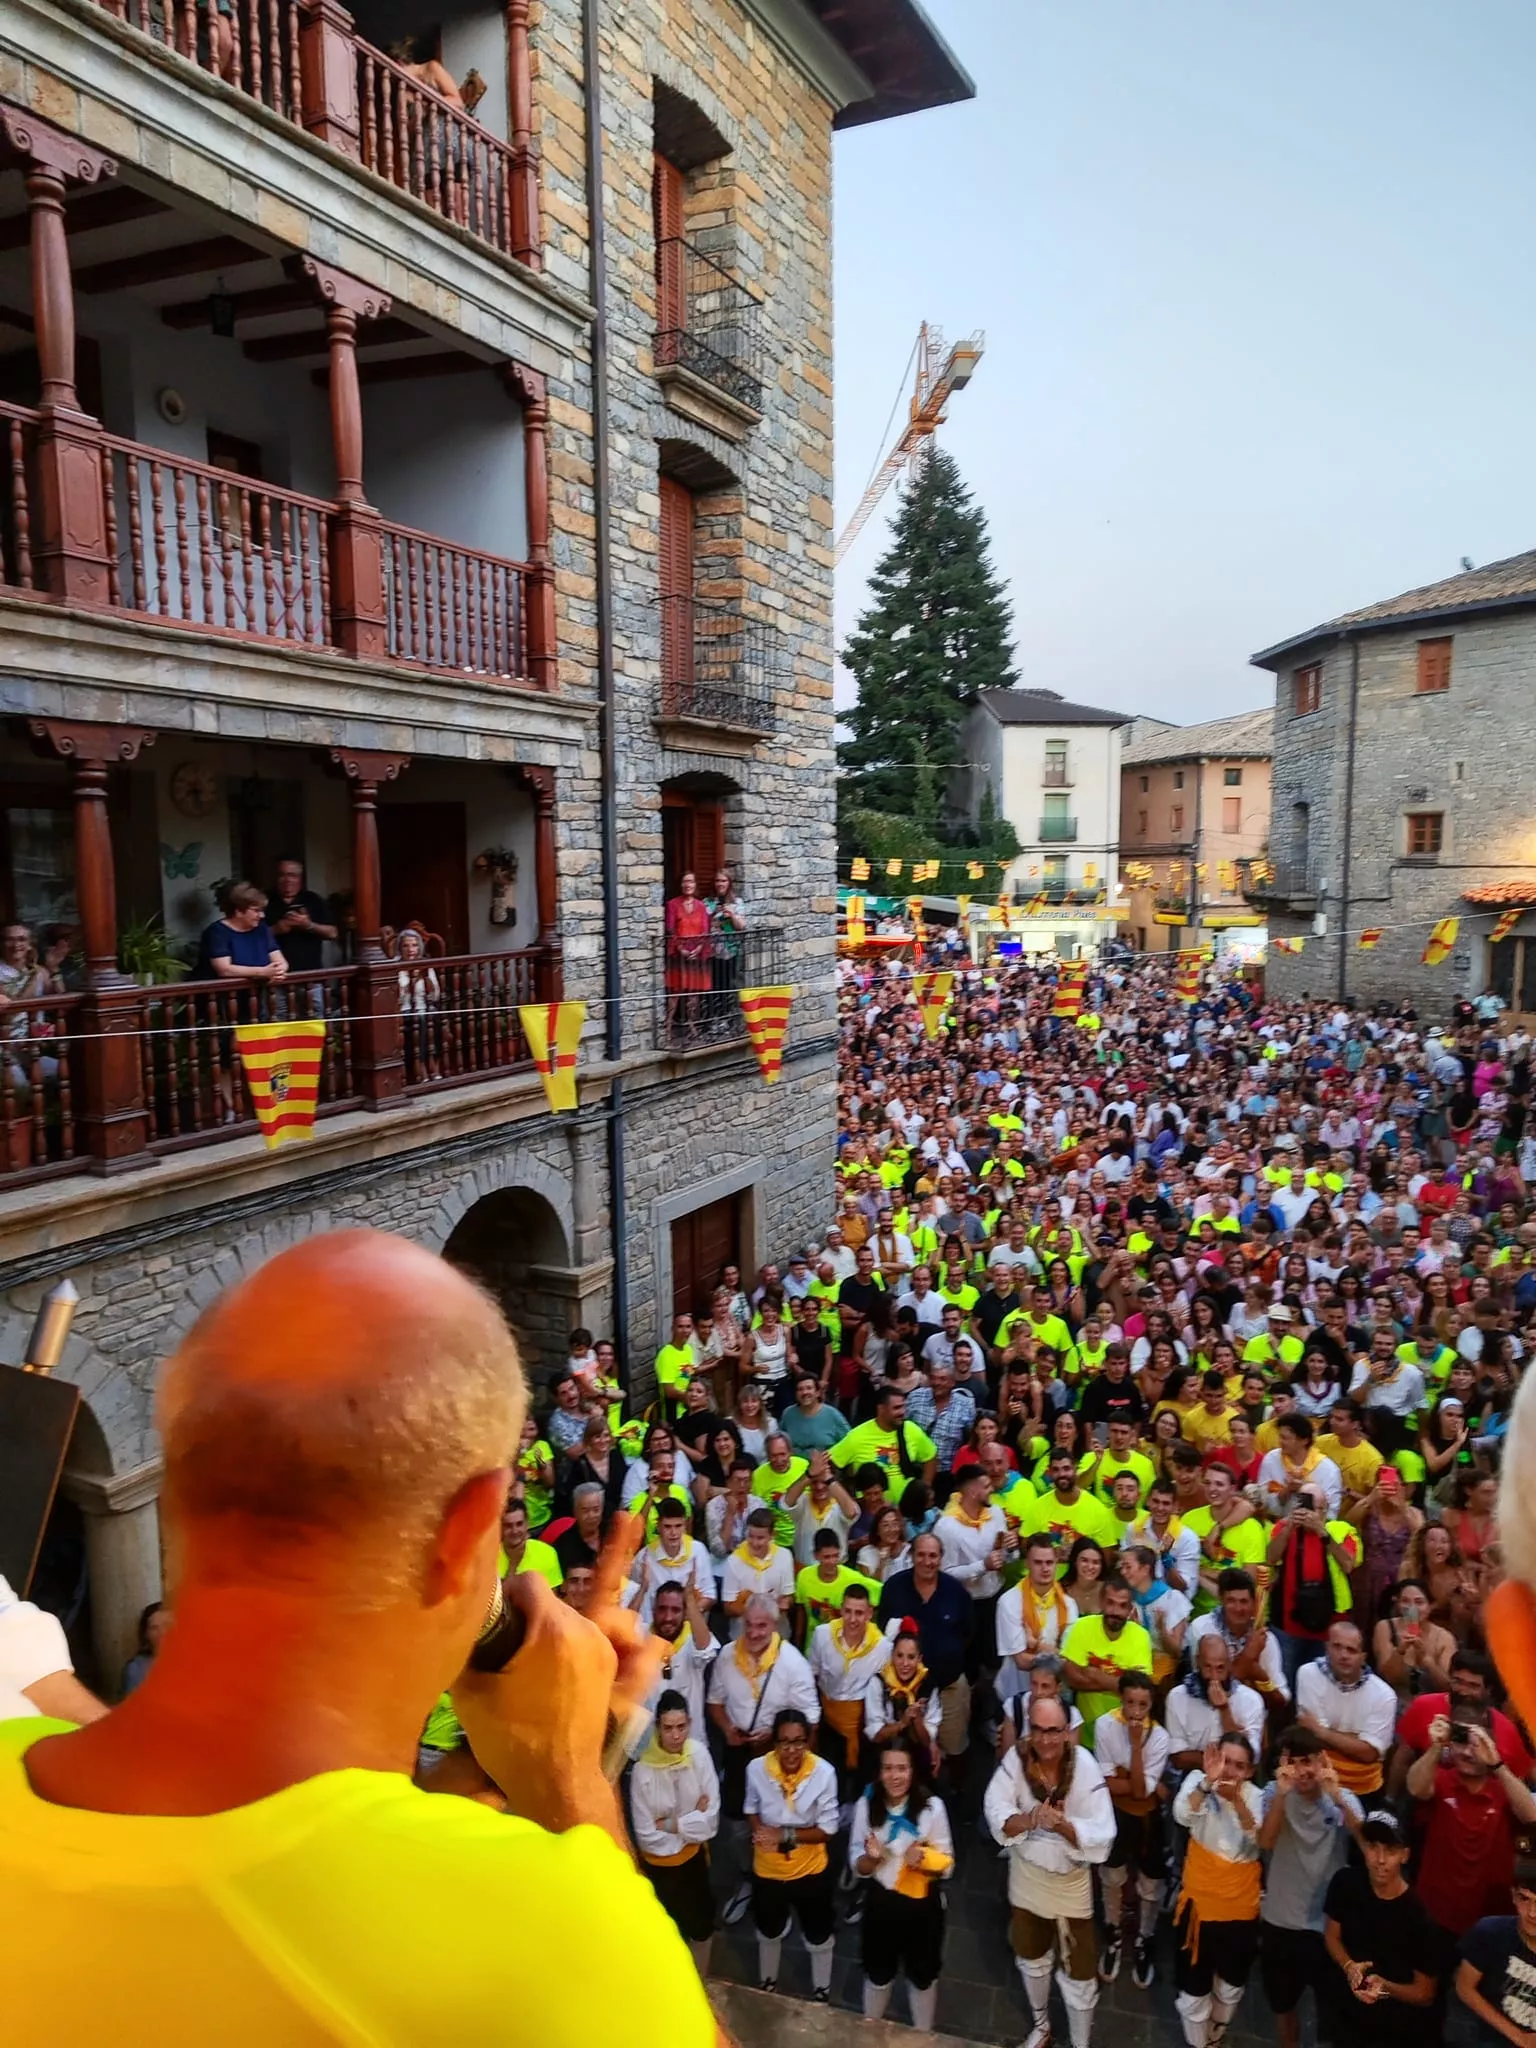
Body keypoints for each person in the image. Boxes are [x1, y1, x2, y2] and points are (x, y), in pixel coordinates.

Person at [0, 1230, 716, 2044]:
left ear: (174, 1496)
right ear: (470, 1528)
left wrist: (490, 1765)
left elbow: (276, 1839)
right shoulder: (545, 1940)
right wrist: (571, 1781)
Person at [983, 1691, 1115, 2048]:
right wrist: (1030, 1819)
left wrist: (1061, 1826)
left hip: (1071, 1886)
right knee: (1031, 1957)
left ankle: (1080, 2042)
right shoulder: (1017, 1759)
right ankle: (1042, 2026)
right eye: (1039, 1730)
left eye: (1054, 1730)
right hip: (1027, 1877)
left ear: (1066, 1730)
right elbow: (994, 1808)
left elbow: (1104, 1833)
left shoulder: (1084, 1765)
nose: (1046, 1739)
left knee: (1081, 1972)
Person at [1257, 1726, 1363, 2048]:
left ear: (1322, 1761)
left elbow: (1369, 1846)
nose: (1302, 1771)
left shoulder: (1343, 1798)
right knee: (1283, 2007)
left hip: (1327, 1927)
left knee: (1330, 2011)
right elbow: (1267, 1841)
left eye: (1309, 1761)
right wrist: (1281, 1795)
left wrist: (1336, 1798)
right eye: (1294, 1761)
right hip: (1280, 1921)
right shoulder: (1272, 1793)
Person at [1405, 1703, 1536, 1943]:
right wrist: (1436, 1747)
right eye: (1460, 1741)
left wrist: (1497, 1764)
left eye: (1476, 1743)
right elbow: (1415, 1787)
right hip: (1436, 1914)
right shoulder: (1441, 1779)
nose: (1467, 1752)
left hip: (1490, 1919)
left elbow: (1530, 1814)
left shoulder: (1504, 1787)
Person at [849, 1737, 954, 2029]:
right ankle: (870, 2031)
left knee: (923, 1977)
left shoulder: (932, 1808)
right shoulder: (866, 1805)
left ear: (913, 1771)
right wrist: (872, 1859)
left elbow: (948, 1864)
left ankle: (923, 2035)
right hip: (881, 1904)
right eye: (888, 1768)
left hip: (923, 1907)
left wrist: (923, 1859)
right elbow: (856, 1864)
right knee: (877, 1973)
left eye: (902, 1768)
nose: (894, 1776)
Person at [1171, 1734, 1263, 2048]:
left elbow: (1258, 1841)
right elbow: (1182, 1815)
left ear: (1250, 1771)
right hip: (1199, 1904)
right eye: (1225, 1761)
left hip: (1240, 1907)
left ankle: (1216, 2033)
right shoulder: (1198, 1780)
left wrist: (1236, 1801)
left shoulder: (1255, 1796)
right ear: (1213, 1759)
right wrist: (1206, 1784)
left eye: (1240, 1766)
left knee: (1231, 1984)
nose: (1230, 1771)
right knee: (1194, 1988)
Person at [743, 1708, 841, 1999]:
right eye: (785, 1742)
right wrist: (760, 1832)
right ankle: (768, 1981)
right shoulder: (756, 1770)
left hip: (811, 1869)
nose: (792, 1750)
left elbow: (828, 1828)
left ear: (808, 1742)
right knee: (769, 1928)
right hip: (768, 1868)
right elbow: (750, 1808)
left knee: (818, 1932)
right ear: (774, 1744)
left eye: (799, 1742)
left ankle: (822, 1987)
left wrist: (785, 1835)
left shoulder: (824, 1774)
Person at [1321, 1810, 1438, 2046]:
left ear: (1405, 1855)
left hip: (1393, 2030)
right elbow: (1332, 1935)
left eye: (1391, 1850)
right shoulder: (1345, 1882)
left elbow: (1425, 1993)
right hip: (1344, 2019)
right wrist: (1349, 1967)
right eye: (1373, 1847)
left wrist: (1384, 1986)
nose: (1380, 1859)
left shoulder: (1419, 1915)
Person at [630, 1688, 720, 1977]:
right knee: (665, 1935)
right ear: (658, 1728)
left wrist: (671, 1824)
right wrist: (693, 1818)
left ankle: (700, 1985)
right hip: (660, 1871)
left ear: (690, 1724)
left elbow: (712, 1822)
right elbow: (646, 1836)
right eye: (668, 1728)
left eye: (681, 1727)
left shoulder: (699, 1755)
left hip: (694, 1863)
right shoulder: (644, 1771)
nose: (676, 1735)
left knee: (702, 1929)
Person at [1094, 1669, 1168, 1991]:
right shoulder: (1105, 1726)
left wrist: (1136, 1748)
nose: (1136, 1712)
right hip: (1116, 1817)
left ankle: (1145, 1938)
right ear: (1120, 1700)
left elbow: (1139, 1792)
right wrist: (1136, 1783)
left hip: (1149, 1820)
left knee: (1151, 1883)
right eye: (1130, 1704)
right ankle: (1113, 1933)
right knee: (1112, 1877)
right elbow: (1108, 1785)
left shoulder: (1160, 1737)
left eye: (1143, 1705)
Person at [193, 882, 288, 1122]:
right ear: (239, 910)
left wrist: (279, 970)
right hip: (223, 1005)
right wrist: (261, 972)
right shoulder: (217, 932)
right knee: (227, 1056)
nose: (261, 915)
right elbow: (224, 969)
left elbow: (279, 959)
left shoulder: (261, 929)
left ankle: (260, 1103)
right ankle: (229, 1107)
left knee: (261, 1052)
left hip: (257, 1003)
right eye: (256, 910)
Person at [876, 1531, 974, 1763]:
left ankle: (951, 1795)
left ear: (941, 1558)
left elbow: (968, 1634)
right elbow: (882, 1636)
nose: (927, 1562)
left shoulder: (956, 1592)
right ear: (911, 1555)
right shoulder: (893, 1588)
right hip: (903, 1693)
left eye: (933, 1556)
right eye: (921, 1555)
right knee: (906, 1753)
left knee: (953, 1749)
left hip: (948, 1688)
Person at [1293, 1619, 1398, 1799]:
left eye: (1351, 1650)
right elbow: (1310, 1739)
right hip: (1317, 1782)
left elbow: (1369, 1754)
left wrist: (1322, 1732)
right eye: (1337, 1647)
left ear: (1363, 1657)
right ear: (1326, 1648)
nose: (1343, 1655)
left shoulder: (1384, 1695)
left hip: (1364, 1789)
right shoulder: (1308, 1674)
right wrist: (1356, 1740)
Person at [807, 1582, 889, 1783]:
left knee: (862, 1778)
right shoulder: (822, 1634)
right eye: (848, 1611)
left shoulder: (883, 1647)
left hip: (862, 1722)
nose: (853, 1619)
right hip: (828, 1719)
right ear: (841, 1609)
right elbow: (812, 1675)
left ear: (869, 1614)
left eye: (859, 1613)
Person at [1059, 1575, 1153, 1749]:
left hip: (1125, 1735)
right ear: (1101, 1602)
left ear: (1130, 1609)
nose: (1116, 1611)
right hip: (1085, 1735)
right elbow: (1072, 1679)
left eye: (1122, 1605)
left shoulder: (1141, 1636)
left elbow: (1139, 1692)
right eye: (1110, 1603)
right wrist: (1121, 1683)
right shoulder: (1081, 1627)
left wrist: (1096, 1674)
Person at [1457, 1860, 1536, 2047]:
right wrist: (1519, 2037)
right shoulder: (1490, 1932)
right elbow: (1464, 1987)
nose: (1532, 1913)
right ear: (1513, 1897)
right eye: (1525, 1899)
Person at [996, 1533, 1080, 1704]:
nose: (1045, 1568)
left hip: (1055, 1695)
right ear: (1027, 1563)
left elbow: (1070, 1660)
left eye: (1049, 1562)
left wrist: (1036, 1645)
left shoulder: (1069, 1605)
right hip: (1016, 1695)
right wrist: (1055, 1654)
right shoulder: (1009, 1602)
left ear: (1057, 1563)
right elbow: (1021, 1661)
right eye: (1038, 1562)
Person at [1165, 1634, 1266, 1771]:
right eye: (1208, 1667)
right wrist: (1222, 1761)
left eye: (1220, 1668)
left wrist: (1224, 1710)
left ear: (1229, 1664)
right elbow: (1178, 1757)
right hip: (1193, 1777)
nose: (1214, 1677)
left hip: (1236, 1779)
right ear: (1197, 1662)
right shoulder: (1177, 1697)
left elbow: (1250, 1757)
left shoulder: (1251, 1700)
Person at [267, 856, 336, 977]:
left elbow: (332, 933)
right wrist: (276, 929)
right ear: (276, 878)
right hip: (276, 977)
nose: (287, 879)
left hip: (311, 975)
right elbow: (251, 937)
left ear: (300, 878)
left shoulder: (312, 899)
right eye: (282, 875)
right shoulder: (265, 900)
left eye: (292, 875)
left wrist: (308, 925)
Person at [120, 1601, 170, 1696]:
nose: (162, 1633)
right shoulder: (137, 1669)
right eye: (154, 1628)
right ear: (146, 1634)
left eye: (167, 1625)